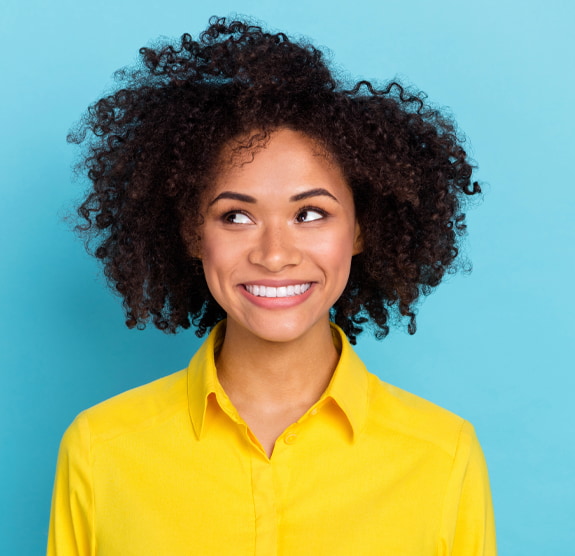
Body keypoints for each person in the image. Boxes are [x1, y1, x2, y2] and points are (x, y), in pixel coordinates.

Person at [48, 16, 495, 556]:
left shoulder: (442, 454)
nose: (275, 254)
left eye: (310, 213)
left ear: (360, 229)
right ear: (193, 233)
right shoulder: (100, 449)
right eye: (236, 216)